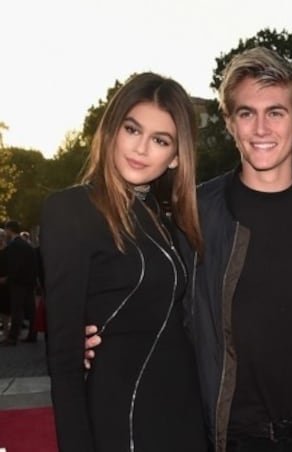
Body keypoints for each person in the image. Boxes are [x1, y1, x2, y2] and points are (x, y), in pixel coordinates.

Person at [184, 47, 292, 452]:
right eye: (247, 113)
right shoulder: (196, 213)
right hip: (233, 435)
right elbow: (163, 307)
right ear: (229, 123)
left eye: (276, 112)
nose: (261, 128)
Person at [40, 72, 209, 451]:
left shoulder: (163, 218)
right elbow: (64, 361)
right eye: (132, 129)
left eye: (160, 140)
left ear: (176, 156)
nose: (141, 148)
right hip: (124, 418)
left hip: (182, 415)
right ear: (113, 128)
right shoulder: (72, 210)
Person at [1, 220, 39, 345]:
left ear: (10, 230)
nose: (5, 232)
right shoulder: (26, 244)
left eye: (6, 230)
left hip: (18, 282)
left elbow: (15, 266)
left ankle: (12, 337)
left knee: (16, 309)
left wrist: (8, 279)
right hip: (29, 281)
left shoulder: (14, 246)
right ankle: (32, 334)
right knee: (30, 310)